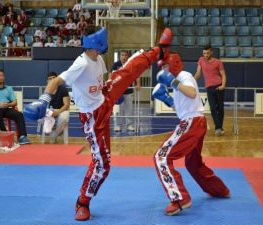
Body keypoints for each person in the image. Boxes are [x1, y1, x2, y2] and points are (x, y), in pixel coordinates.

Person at [23, 25, 172, 221]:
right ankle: (82, 202)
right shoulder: (81, 63)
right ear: (97, 41)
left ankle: (159, 50)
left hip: (104, 97)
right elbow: (56, 82)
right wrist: (43, 100)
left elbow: (102, 79)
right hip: (94, 118)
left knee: (126, 72)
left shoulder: (98, 58)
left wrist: (113, 94)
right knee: (102, 165)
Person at [152, 52, 230, 216]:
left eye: (166, 66)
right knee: (193, 163)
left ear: (173, 64)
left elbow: (192, 93)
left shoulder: (183, 76)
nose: (164, 71)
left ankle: (180, 199)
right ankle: (219, 190)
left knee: (161, 156)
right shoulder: (178, 80)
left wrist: (173, 82)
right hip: (195, 122)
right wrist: (166, 99)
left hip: (192, 123)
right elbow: (182, 108)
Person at [0, 68, 31, 145]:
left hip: (7, 108)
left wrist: (8, 104)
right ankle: (6, 135)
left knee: (19, 115)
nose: (1, 77)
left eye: (2, 75)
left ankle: (22, 137)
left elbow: (15, 102)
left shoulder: (9, 88)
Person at [194, 44, 227, 136]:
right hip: (209, 88)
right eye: (204, 53)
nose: (206, 55)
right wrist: (191, 81)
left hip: (219, 87)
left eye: (207, 53)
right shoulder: (201, 60)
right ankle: (218, 128)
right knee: (212, 108)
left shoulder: (218, 62)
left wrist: (223, 85)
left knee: (220, 108)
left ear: (211, 52)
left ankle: (219, 128)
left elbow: (223, 75)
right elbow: (198, 73)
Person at [111, 50, 140, 132]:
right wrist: (110, 84)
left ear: (127, 57)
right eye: (122, 55)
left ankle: (129, 125)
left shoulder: (131, 64)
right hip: (118, 91)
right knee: (119, 109)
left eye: (125, 55)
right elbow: (111, 75)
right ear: (120, 56)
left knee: (129, 109)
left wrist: (137, 83)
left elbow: (136, 75)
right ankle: (118, 125)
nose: (124, 57)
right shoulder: (116, 65)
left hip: (129, 90)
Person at [46, 72, 70, 144]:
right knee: (41, 117)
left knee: (64, 117)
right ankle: (52, 131)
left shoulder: (63, 89)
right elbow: (44, 104)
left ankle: (55, 134)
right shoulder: (47, 90)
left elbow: (66, 105)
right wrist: (49, 111)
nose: (52, 80)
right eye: (50, 79)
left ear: (57, 79)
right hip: (51, 110)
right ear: (47, 81)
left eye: (54, 78)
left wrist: (58, 111)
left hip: (62, 110)